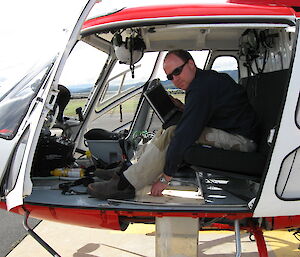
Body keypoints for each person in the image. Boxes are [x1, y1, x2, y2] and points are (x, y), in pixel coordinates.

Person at [87, 49, 257, 199]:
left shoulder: (201, 89)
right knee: (169, 125)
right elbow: (215, 115)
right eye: (170, 76)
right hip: (231, 131)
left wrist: (165, 177)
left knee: (174, 132)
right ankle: (129, 168)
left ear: (191, 64)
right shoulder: (205, 81)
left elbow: (185, 134)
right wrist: (184, 108)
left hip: (242, 142)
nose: (175, 79)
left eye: (177, 71)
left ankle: (125, 185)